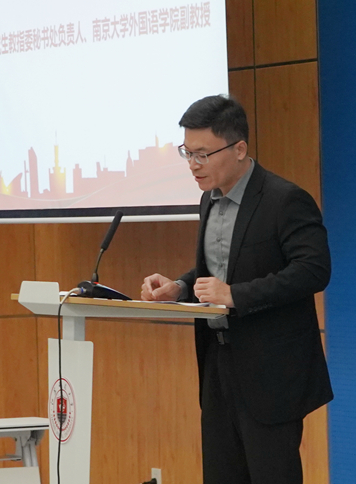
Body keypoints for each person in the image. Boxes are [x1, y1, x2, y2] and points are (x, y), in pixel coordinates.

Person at [141, 95, 333, 484]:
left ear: (239, 149)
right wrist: (180, 286)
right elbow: (220, 266)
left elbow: (313, 270)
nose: (193, 165)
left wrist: (235, 295)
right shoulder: (208, 201)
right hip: (218, 363)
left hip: (270, 372)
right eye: (187, 153)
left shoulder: (284, 199)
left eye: (202, 154)